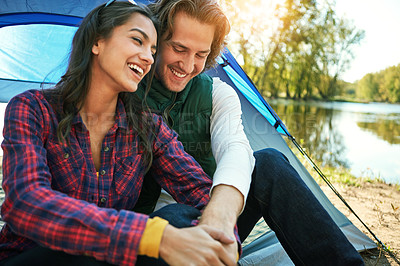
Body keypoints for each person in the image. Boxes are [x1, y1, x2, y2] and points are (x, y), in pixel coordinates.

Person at [0, 2, 238, 265]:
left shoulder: (149, 128)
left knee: (181, 218)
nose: (148, 57)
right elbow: (26, 203)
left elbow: (201, 190)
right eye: (138, 40)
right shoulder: (33, 109)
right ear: (97, 42)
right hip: (31, 256)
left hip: (106, 257)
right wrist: (152, 236)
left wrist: (225, 235)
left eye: (153, 50)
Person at [134, 0, 365, 265]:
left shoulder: (217, 93)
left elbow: (235, 147)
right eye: (179, 48)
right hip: (144, 232)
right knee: (174, 217)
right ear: (155, 39)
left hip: (211, 217)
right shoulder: (125, 87)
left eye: (200, 54)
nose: (188, 65)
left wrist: (220, 212)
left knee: (269, 162)